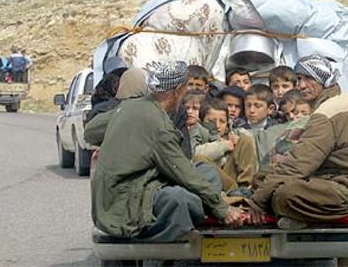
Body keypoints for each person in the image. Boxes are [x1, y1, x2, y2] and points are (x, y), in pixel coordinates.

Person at [85, 61, 244, 242]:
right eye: (184, 90)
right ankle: (188, 221)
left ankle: (204, 205)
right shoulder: (159, 125)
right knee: (179, 198)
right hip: (128, 201)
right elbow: (184, 172)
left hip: (139, 184)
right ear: (177, 90)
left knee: (207, 171)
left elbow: (90, 132)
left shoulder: (128, 107)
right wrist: (223, 209)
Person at [247, 54, 348, 230]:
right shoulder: (344, 100)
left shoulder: (325, 115)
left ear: (324, 80)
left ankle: (305, 218)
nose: (302, 85)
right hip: (335, 179)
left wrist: (256, 204)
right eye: (299, 79)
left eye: (309, 78)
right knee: (263, 178)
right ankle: (297, 213)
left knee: (284, 195)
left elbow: (298, 165)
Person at [196, 98, 257, 191]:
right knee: (200, 159)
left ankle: (245, 189)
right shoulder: (196, 132)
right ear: (201, 120)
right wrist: (225, 145)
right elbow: (195, 154)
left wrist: (236, 144)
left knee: (245, 140)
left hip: (232, 180)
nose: (217, 126)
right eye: (211, 121)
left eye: (222, 121)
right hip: (212, 181)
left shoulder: (236, 134)